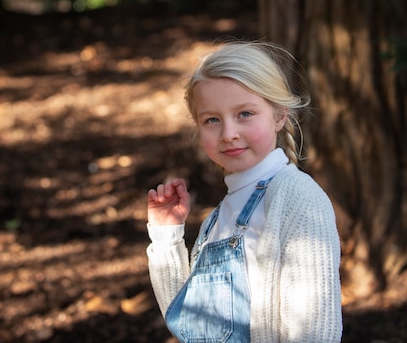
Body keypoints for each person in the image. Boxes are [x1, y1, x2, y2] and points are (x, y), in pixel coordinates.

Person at [146, 41, 342, 342]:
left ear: (279, 116)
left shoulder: (297, 197)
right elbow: (188, 323)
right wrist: (166, 237)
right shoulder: (219, 217)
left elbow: (313, 331)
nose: (228, 134)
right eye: (212, 120)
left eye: (245, 114)